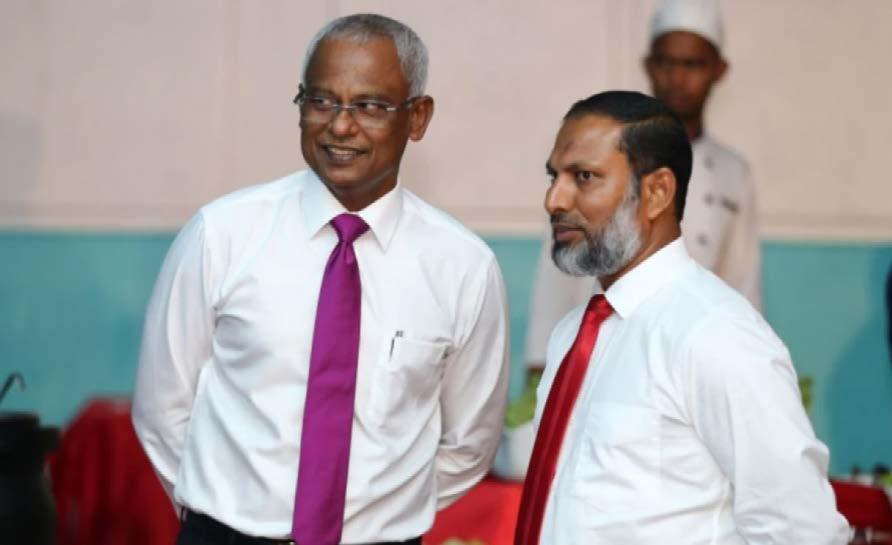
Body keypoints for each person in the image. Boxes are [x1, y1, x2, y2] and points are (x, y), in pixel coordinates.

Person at [132, 13, 509, 545]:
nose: (340, 126)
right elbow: (162, 408)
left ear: (418, 117)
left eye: (370, 106)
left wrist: (379, 516)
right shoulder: (222, 234)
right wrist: (219, 514)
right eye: (321, 101)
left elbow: (470, 443)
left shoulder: (463, 266)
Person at [512, 90, 847, 544]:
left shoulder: (717, 335)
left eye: (584, 177)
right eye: (554, 177)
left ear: (657, 193)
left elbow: (803, 531)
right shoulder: (573, 333)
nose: (554, 199)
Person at [495, 0, 762, 481]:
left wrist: (743, 363)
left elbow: (742, 279)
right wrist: (543, 369)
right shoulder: (602, 155)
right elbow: (557, 276)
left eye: (692, 64)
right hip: (599, 347)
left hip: (689, 362)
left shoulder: (733, 173)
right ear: (648, 65)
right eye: (667, 62)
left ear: (717, 71)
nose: (677, 77)